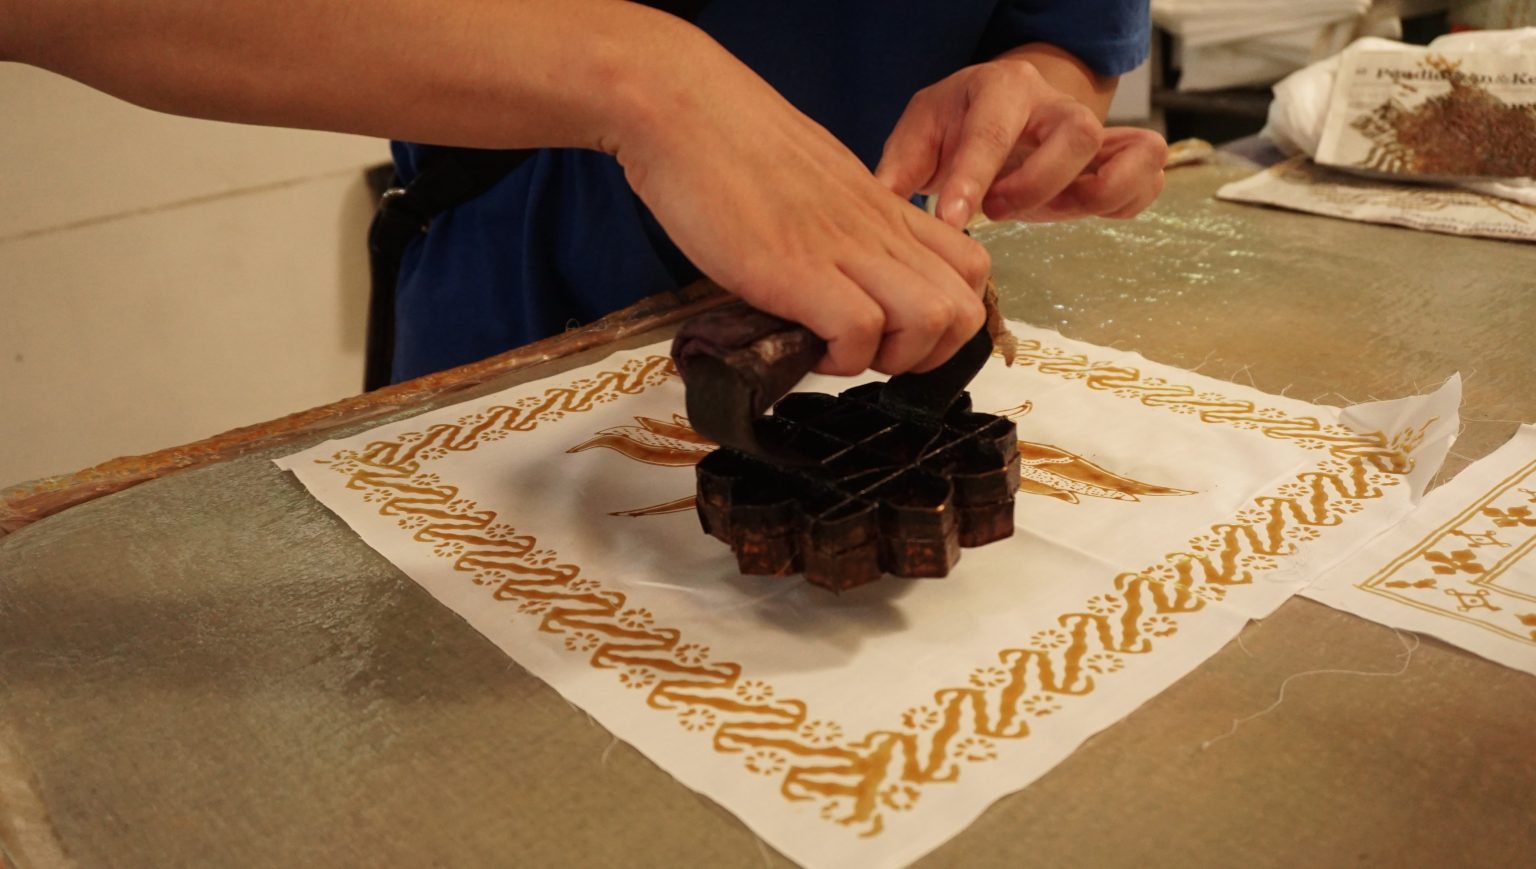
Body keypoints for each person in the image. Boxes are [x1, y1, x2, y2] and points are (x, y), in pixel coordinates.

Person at [3, 0, 1166, 383]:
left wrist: (1043, 84)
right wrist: (639, 77)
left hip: (899, 303)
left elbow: (1066, 31)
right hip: (523, 301)